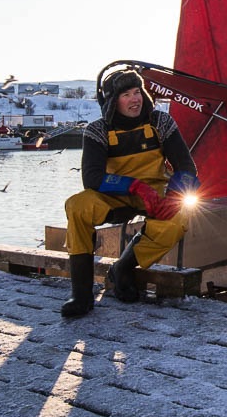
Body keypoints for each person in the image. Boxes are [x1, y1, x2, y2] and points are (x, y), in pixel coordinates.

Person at [60, 67, 200, 318]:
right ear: (113, 101)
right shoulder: (97, 130)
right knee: (77, 206)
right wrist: (133, 186)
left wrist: (174, 196)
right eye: (126, 94)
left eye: (138, 92)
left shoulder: (160, 122)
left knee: (178, 219)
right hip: (113, 195)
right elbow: (91, 178)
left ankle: (123, 267)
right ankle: (80, 295)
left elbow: (186, 168)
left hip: (155, 193)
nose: (135, 99)